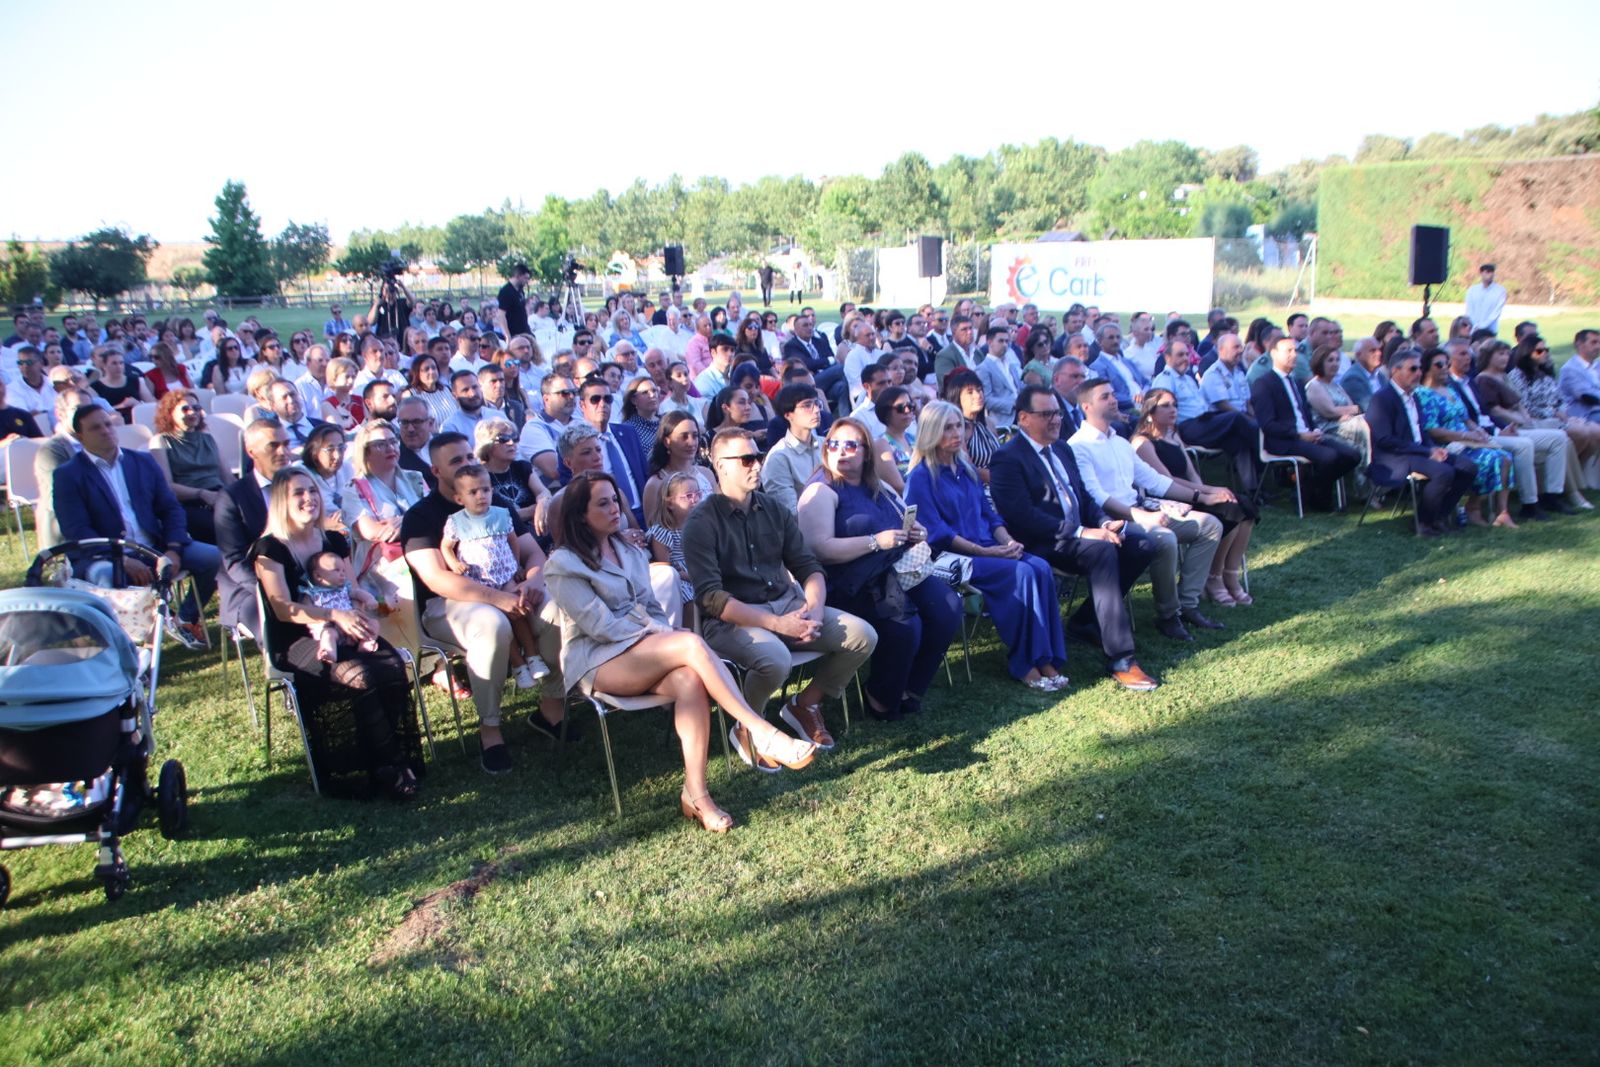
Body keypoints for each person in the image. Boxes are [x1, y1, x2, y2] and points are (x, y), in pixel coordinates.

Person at [546, 471, 816, 830]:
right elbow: (602, 627)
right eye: (603, 503)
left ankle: (697, 794)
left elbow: (652, 606)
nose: (615, 509)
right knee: (689, 643)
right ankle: (759, 729)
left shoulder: (628, 549)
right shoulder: (563, 564)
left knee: (689, 678)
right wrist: (662, 636)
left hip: (643, 647)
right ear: (581, 513)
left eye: (615, 500)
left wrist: (660, 634)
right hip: (596, 660)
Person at [683, 428, 878, 753]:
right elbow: (711, 598)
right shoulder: (701, 522)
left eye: (757, 457)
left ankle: (805, 704)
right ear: (721, 465)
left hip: (789, 607)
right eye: (746, 459)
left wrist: (814, 609)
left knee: (862, 635)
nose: (757, 465)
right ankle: (750, 725)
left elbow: (809, 567)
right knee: (776, 659)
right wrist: (776, 624)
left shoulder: (773, 509)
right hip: (732, 621)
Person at [402, 431, 570, 773]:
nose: (467, 465)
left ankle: (552, 708)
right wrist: (499, 599)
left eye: (469, 457)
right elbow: (436, 578)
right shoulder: (421, 515)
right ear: (436, 472)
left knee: (556, 610)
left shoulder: (496, 503)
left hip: (511, 588)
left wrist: (533, 581)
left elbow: (532, 552)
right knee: (491, 625)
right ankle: (490, 728)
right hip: (449, 604)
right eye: (456, 461)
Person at [251, 468, 421, 799]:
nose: (309, 499)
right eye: (298, 493)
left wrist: (363, 613)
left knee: (390, 664)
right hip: (298, 638)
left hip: (345, 624)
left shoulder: (334, 539)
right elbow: (283, 608)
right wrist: (334, 615)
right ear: (281, 502)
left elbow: (352, 587)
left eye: (312, 491)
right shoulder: (269, 550)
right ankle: (389, 766)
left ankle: (387, 758)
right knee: (360, 675)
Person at [990, 385, 1161, 690]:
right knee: (1102, 552)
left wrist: (1105, 522)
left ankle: (1086, 621)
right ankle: (1122, 658)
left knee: (1141, 544)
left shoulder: (1061, 448)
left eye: (1056, 412)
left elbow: (1082, 497)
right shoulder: (1007, 458)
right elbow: (1022, 517)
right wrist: (1084, 532)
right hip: (1042, 542)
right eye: (1046, 414)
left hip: (1077, 534)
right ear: (1024, 418)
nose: (1056, 420)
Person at [798, 417, 961, 719]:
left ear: (866, 452)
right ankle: (881, 697)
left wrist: (916, 532)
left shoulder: (880, 485)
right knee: (905, 625)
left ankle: (911, 687)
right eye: (834, 444)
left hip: (893, 570)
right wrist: (875, 542)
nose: (841, 451)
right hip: (848, 583)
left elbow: (906, 518)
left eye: (850, 445)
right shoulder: (821, 491)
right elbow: (819, 549)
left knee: (948, 606)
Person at [903, 401, 1067, 691]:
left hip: (988, 547)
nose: (957, 433)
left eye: (959, 426)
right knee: (1021, 574)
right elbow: (938, 534)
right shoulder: (920, 477)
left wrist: (1008, 542)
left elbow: (990, 516)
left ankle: (1045, 658)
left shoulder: (966, 469)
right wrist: (989, 552)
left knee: (1040, 566)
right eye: (948, 428)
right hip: (952, 558)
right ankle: (1025, 663)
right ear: (931, 432)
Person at [1069, 378, 1225, 641]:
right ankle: (1168, 615)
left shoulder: (1119, 442)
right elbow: (1096, 496)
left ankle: (1188, 604)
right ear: (1086, 406)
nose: (1113, 399)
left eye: (1112, 394)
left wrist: (1201, 496)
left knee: (1210, 525)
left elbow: (1154, 481)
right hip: (1112, 520)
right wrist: (1141, 516)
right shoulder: (1078, 445)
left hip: (1141, 511)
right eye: (1105, 396)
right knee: (1165, 539)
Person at [52, 405, 218, 650]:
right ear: (80, 436)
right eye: (96, 428)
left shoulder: (141, 462)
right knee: (104, 576)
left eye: (108, 424)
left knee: (213, 558)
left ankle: (184, 619)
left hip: (154, 545)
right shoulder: (69, 475)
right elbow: (77, 529)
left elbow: (170, 508)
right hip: (102, 553)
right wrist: (121, 559)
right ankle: (124, 647)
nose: (106, 431)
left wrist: (173, 548)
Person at [1131, 391, 1258, 606]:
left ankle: (1230, 573)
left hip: (1192, 493)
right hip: (1168, 499)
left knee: (1244, 506)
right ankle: (1213, 577)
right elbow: (1166, 481)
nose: (1173, 410)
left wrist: (1210, 491)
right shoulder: (1143, 442)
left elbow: (1191, 473)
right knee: (1231, 511)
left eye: (1175, 405)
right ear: (1150, 412)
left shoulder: (1173, 435)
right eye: (1165, 406)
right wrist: (1208, 492)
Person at [440, 464, 552, 690]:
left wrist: (516, 564)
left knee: (518, 612)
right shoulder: (457, 522)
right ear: (459, 498)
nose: (481, 496)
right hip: (479, 581)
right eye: (473, 492)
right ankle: (518, 664)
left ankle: (533, 655)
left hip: (505, 576)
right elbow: (446, 546)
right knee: (502, 622)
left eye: (486, 490)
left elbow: (512, 541)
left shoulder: (501, 514)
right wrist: (454, 563)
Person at [1364, 349, 1478, 536]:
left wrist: (1432, 448)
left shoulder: (1414, 396)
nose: (1418, 373)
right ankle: (1423, 522)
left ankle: (1439, 516)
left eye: (1420, 369)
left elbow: (1420, 430)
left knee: (1468, 467)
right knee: (1444, 472)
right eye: (1413, 369)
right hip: (1394, 457)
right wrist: (1427, 452)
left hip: (1419, 451)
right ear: (1395, 371)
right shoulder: (1382, 399)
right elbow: (1385, 440)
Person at [1249, 337, 1360, 511]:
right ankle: (1319, 499)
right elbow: (1268, 425)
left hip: (1307, 435)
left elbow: (1304, 414)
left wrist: (1313, 430)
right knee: (1330, 457)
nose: (1294, 355)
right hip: (1284, 440)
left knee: (1352, 455)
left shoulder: (1297, 382)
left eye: (1295, 351)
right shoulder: (1264, 384)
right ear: (1274, 354)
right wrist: (1300, 435)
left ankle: (1307, 490)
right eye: (1289, 351)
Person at [1416, 349, 1516, 527]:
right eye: (1439, 364)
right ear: (1426, 368)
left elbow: (1466, 418)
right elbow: (1432, 430)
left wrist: (1478, 431)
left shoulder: (1450, 390)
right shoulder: (1423, 394)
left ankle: (1502, 512)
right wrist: (1464, 435)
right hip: (1449, 445)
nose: (1445, 368)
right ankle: (1473, 507)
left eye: (1447, 364)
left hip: (1469, 440)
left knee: (1506, 457)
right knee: (1491, 460)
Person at [1151, 335, 1259, 492]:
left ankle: (1253, 490)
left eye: (1187, 354)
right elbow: (1162, 414)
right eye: (1180, 355)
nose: (1186, 359)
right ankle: (1269, 449)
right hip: (1188, 428)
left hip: (1205, 423)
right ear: (1167, 357)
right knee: (1236, 418)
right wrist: (1176, 438)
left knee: (1239, 440)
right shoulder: (1165, 380)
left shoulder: (1187, 379)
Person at [150, 389, 232, 544]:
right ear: (170, 413)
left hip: (218, 497)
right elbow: (166, 486)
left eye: (196, 408)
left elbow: (227, 478)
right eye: (185, 409)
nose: (192, 412)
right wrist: (201, 494)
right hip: (190, 503)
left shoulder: (210, 439)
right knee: (223, 527)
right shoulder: (161, 441)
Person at [1304, 343, 1373, 489]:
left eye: (1337, 360)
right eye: (1330, 360)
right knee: (1362, 426)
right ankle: (1363, 484)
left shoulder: (1336, 385)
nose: (1335, 364)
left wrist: (1347, 411)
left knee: (1369, 422)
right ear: (1319, 362)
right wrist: (1350, 410)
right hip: (1325, 431)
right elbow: (1330, 412)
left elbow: (1350, 407)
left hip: (1344, 425)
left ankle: (1373, 479)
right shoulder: (1315, 385)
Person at [300, 551, 380, 663]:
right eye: (336, 570)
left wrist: (369, 599)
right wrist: (315, 622)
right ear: (318, 576)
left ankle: (365, 643)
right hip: (331, 626)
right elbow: (305, 610)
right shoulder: (312, 593)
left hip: (353, 625)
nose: (342, 574)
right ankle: (329, 653)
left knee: (374, 623)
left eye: (343, 570)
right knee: (328, 635)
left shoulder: (344, 589)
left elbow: (357, 593)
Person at [643, 411, 717, 526]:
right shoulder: (656, 484)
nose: (691, 442)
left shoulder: (707, 474)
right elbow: (654, 531)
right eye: (684, 436)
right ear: (667, 441)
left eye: (695, 436)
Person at [759, 382, 824, 511]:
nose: (816, 410)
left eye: (817, 404)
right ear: (788, 415)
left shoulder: (826, 444)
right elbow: (789, 511)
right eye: (807, 405)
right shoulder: (778, 457)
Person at [648, 471, 702, 625]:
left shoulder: (699, 525)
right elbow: (665, 567)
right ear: (670, 503)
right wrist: (690, 575)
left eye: (697, 494)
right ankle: (690, 635)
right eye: (688, 496)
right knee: (690, 599)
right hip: (679, 577)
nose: (695, 500)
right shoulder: (663, 531)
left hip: (697, 570)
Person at [943, 369, 1000, 479]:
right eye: (970, 392)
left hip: (998, 481)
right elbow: (967, 467)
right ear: (957, 397)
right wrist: (1002, 478)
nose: (978, 395)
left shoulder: (989, 423)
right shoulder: (958, 429)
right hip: (977, 485)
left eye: (979, 390)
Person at [301, 424, 352, 527]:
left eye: (341, 448)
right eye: (330, 449)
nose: (337, 456)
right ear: (314, 451)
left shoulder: (347, 468)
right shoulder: (302, 474)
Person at [871, 385, 918, 494]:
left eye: (910, 406)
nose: (907, 411)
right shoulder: (881, 445)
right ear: (886, 412)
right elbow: (898, 486)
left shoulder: (915, 439)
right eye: (901, 408)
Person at [87, 346, 153, 423]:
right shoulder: (95, 387)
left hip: (139, 420)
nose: (119, 367)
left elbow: (151, 404)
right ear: (104, 366)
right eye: (114, 363)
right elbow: (97, 413)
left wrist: (138, 404)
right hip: (114, 423)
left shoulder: (135, 381)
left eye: (121, 363)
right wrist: (121, 406)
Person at [1557, 328, 1600, 424]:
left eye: (1599, 342)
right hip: (1586, 414)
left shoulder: (1597, 366)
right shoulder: (1570, 369)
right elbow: (1588, 396)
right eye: (1593, 342)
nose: (1598, 346)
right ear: (1579, 344)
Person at [404, 354, 458, 429]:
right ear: (417, 373)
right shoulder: (410, 395)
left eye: (434, 368)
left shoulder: (446, 389)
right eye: (426, 369)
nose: (431, 372)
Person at [1465, 264, 1508, 334]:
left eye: (1492, 272)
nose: (1490, 274)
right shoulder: (1472, 290)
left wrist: (1482, 326)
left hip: (1490, 331)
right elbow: (1469, 310)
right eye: (1487, 272)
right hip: (1473, 330)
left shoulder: (1500, 291)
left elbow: (1496, 312)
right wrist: (1474, 325)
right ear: (1481, 273)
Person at [497, 264, 532, 338]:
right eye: (525, 278)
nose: (527, 281)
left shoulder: (520, 290)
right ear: (518, 276)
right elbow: (501, 315)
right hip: (514, 332)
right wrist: (507, 335)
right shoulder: (506, 291)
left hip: (524, 329)